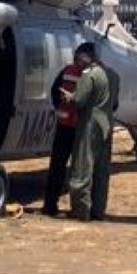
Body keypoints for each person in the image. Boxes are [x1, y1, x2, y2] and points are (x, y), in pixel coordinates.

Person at [67, 42, 115, 221]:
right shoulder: (108, 74)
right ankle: (98, 210)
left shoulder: (89, 75)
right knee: (101, 170)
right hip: (105, 124)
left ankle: (81, 210)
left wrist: (70, 96)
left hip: (89, 124)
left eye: (78, 59)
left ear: (86, 57)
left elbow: (79, 100)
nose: (77, 63)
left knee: (81, 167)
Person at [43, 53, 83, 217]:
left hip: (64, 124)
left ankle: (50, 205)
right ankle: (78, 208)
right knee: (79, 169)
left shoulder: (67, 70)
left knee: (57, 166)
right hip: (79, 127)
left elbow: (54, 90)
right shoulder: (89, 75)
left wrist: (58, 109)